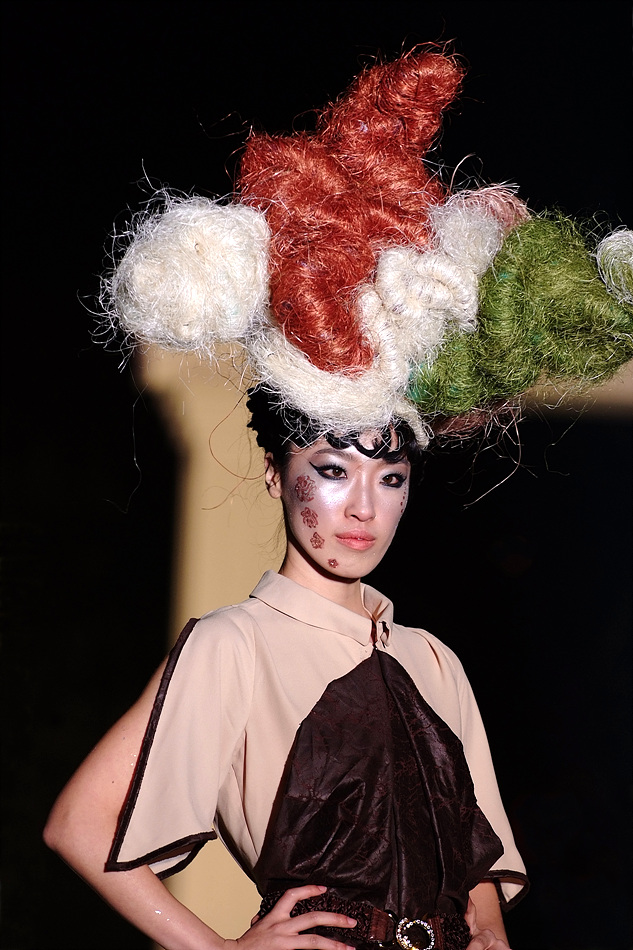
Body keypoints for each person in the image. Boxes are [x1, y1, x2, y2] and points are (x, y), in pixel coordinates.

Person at [45, 47, 632, 950]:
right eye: (331, 469)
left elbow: (481, 900)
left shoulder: (434, 661)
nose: (363, 506)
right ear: (274, 474)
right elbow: (79, 829)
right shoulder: (231, 645)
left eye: (389, 478)